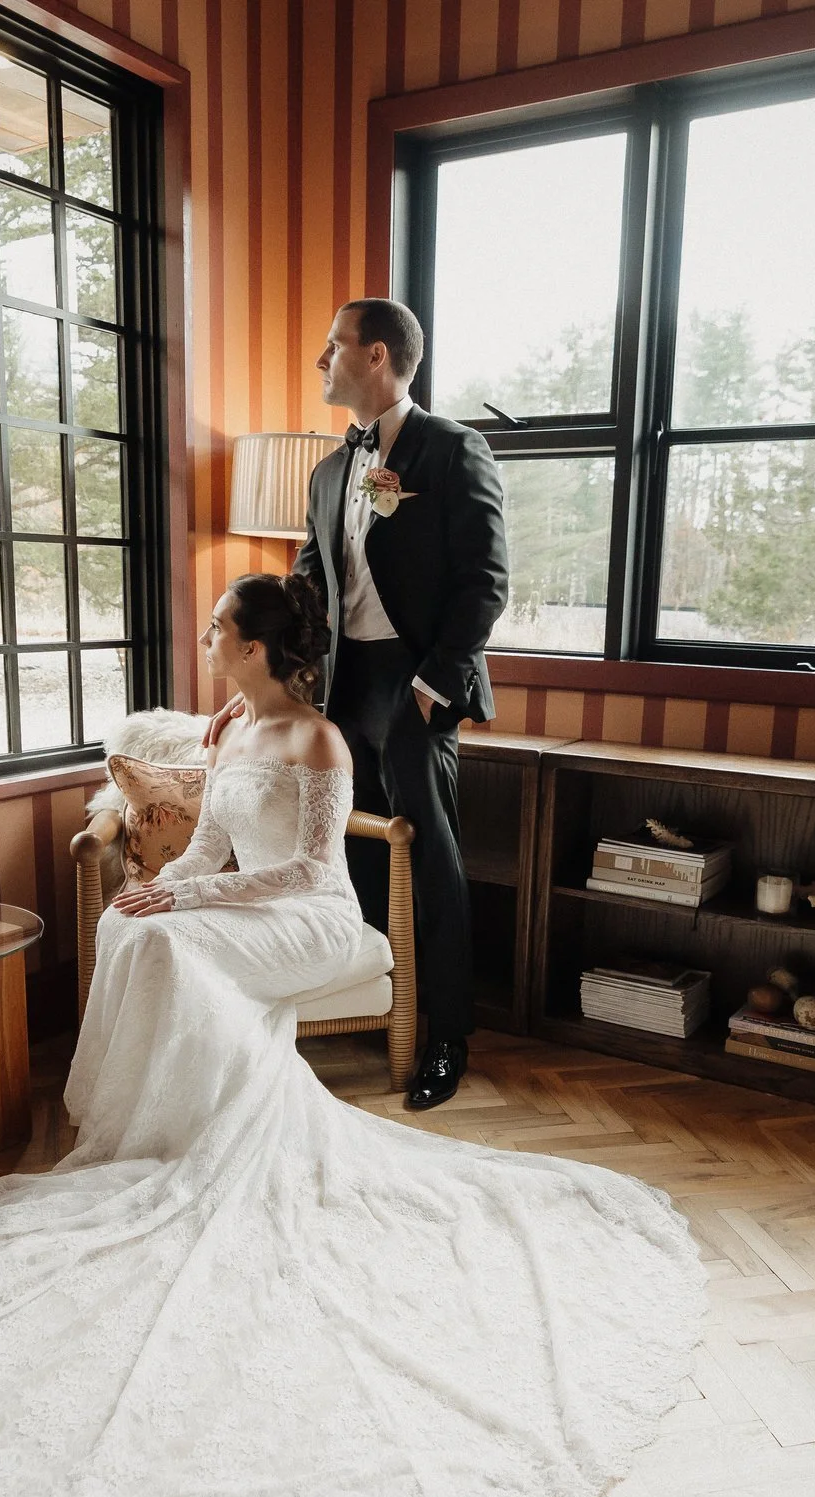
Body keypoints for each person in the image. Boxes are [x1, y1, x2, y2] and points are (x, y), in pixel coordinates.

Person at [0, 573, 705, 1497]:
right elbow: (207, 845)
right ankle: (165, 1128)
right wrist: (166, 886)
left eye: (221, 630)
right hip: (241, 901)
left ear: (265, 647)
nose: (207, 638)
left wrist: (191, 896)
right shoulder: (226, 731)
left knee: (170, 944)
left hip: (311, 920)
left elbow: (312, 868)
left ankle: (219, 1132)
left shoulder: (319, 741)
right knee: (128, 929)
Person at [209, 298, 509, 1111]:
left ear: (376, 356)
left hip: (414, 689)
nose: (321, 360)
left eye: (332, 347)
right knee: (355, 849)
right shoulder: (329, 469)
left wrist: (428, 685)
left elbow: (486, 584)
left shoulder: (453, 451)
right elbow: (304, 590)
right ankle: (383, 1004)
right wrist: (262, 694)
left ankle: (444, 1035)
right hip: (340, 688)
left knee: (429, 858)